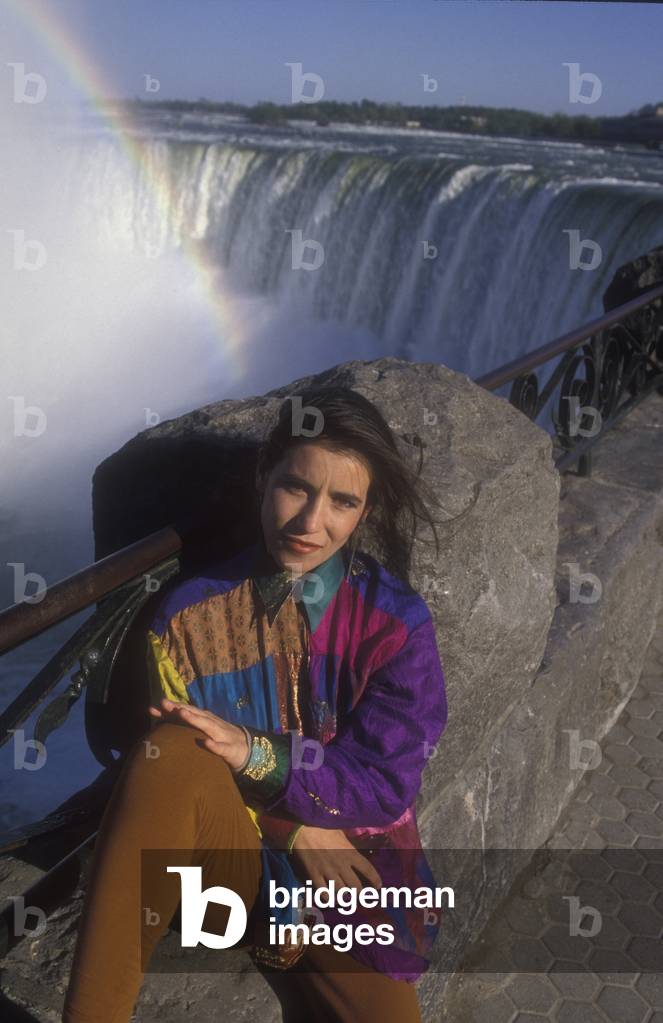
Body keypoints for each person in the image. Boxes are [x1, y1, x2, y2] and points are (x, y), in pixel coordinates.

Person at [62, 385, 448, 1023]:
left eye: (342, 501)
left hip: (353, 882)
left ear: (364, 512)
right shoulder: (188, 617)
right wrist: (294, 828)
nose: (309, 523)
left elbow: (382, 782)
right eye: (295, 487)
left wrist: (257, 755)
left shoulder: (395, 625)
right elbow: (180, 779)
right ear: (263, 479)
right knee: (176, 749)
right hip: (240, 860)